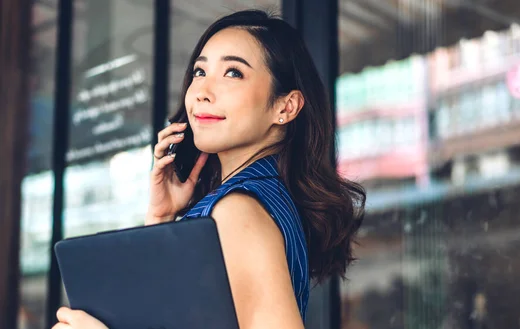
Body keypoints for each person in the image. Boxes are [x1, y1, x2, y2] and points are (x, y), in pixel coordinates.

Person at [52, 9, 365, 329]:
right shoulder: (253, 202)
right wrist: (161, 219)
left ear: (285, 106)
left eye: (233, 73)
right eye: (199, 72)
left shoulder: (238, 211)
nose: (202, 90)